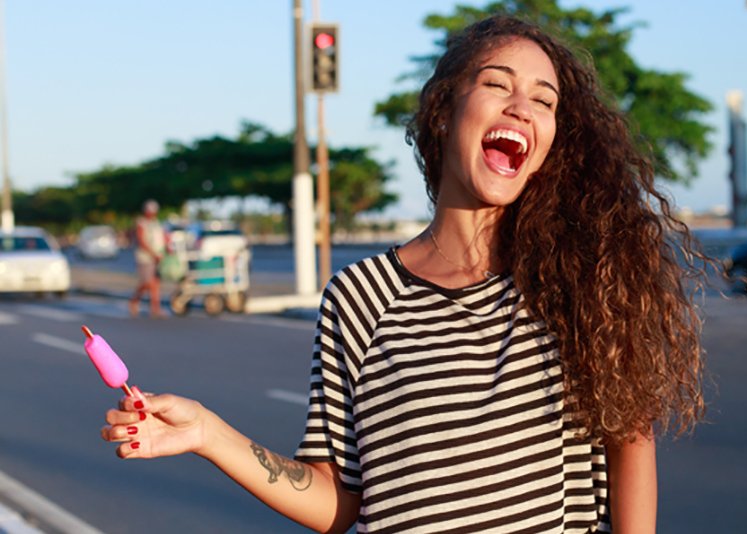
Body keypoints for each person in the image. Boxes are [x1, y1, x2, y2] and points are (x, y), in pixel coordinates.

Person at [101, 16, 707, 533]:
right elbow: (336, 499)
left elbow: (632, 444)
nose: (522, 107)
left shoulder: (577, 279)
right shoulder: (359, 297)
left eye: (544, 101)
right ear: (444, 112)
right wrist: (209, 434)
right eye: (497, 84)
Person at [129, 199, 167, 318]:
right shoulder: (141, 223)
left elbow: (163, 237)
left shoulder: (157, 223)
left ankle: (155, 308)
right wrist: (152, 253)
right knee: (147, 282)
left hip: (157, 256)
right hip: (145, 257)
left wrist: (166, 248)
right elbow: (141, 241)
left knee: (155, 283)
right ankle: (134, 300)